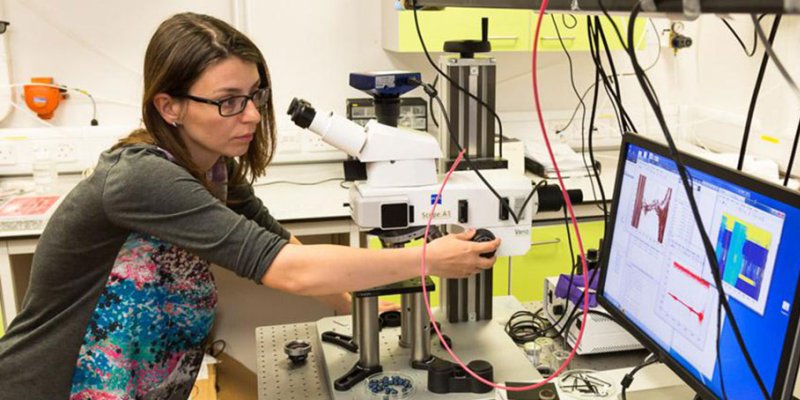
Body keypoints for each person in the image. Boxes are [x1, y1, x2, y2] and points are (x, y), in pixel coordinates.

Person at [0, 12, 500, 400]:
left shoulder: (215, 166)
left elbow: (277, 240)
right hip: (54, 384)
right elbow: (288, 270)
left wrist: (351, 307)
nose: (253, 115)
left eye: (255, 96)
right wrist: (429, 260)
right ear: (168, 105)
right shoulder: (142, 177)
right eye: (229, 100)